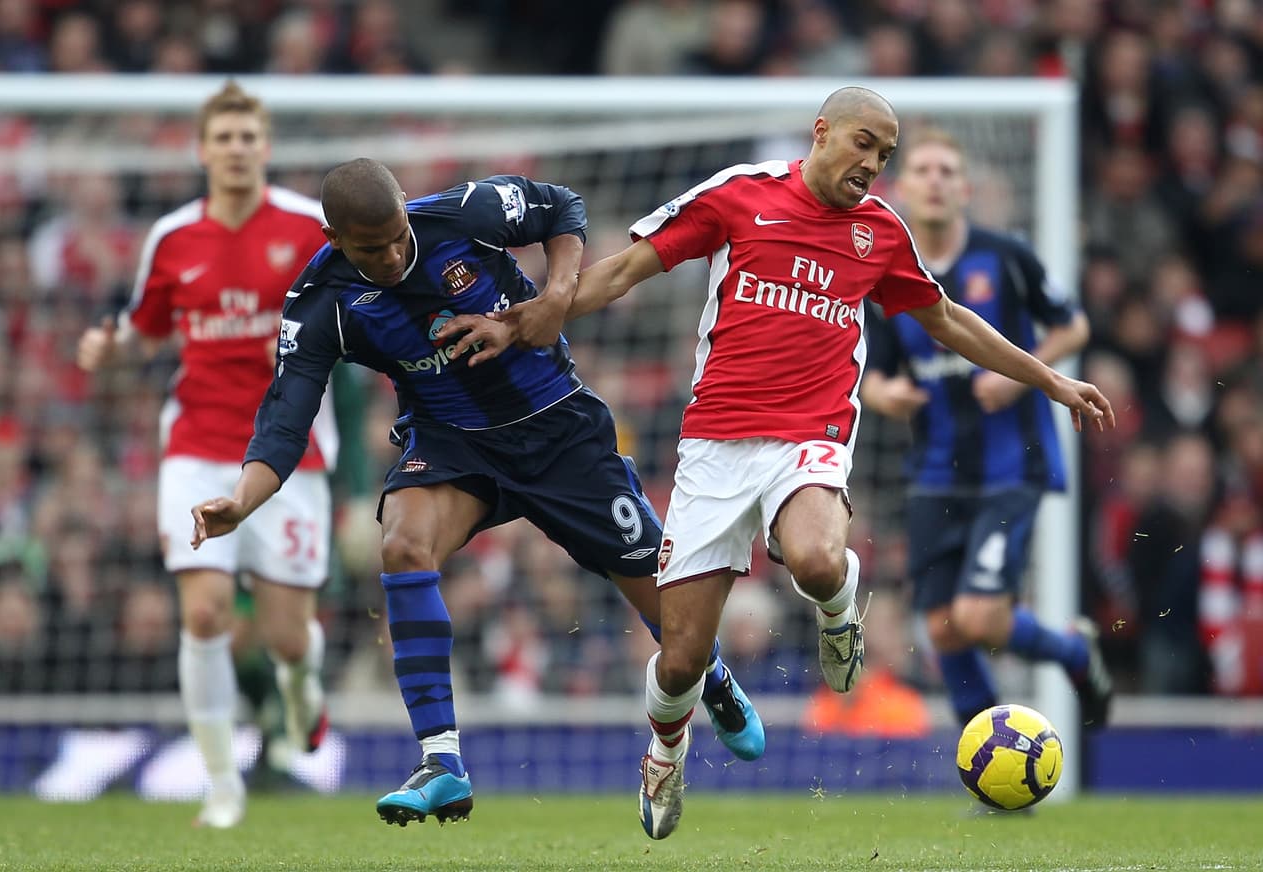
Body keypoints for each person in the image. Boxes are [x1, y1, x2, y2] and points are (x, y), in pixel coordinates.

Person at [474, 86, 1115, 840]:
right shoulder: (739, 195)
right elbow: (622, 273)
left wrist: (1049, 379)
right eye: (863, 143)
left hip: (811, 434)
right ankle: (665, 752)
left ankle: (838, 613)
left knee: (815, 558)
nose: (872, 164)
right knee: (681, 662)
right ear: (822, 132)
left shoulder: (881, 232)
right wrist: (525, 320)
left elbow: (946, 319)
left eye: (885, 154)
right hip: (715, 448)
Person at [189, 158, 766, 828]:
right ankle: (441, 761)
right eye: (372, 249)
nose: (393, 255)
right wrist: (242, 499)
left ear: (406, 210)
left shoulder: (462, 213)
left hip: (556, 429)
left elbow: (562, 207)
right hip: (452, 444)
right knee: (402, 545)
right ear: (335, 238)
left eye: (399, 236)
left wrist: (554, 297)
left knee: (674, 622)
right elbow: (286, 420)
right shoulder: (322, 302)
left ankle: (711, 676)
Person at [76, 81, 336, 829]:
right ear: (201, 151)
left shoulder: (308, 228)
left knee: (287, 637)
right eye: (223, 138)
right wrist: (112, 347)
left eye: (247, 137)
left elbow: (357, 311)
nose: (235, 149)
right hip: (196, 442)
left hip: (288, 450)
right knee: (204, 614)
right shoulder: (173, 238)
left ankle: (301, 688)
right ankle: (222, 787)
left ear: (265, 146)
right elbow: (146, 329)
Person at [859, 128, 1114, 732]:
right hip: (934, 469)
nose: (936, 181)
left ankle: (1074, 652)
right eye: (923, 170)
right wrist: (885, 395)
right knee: (943, 627)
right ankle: (987, 752)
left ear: (966, 189)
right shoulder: (885, 274)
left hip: (1010, 464)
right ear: (901, 188)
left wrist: (1022, 377)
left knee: (978, 618)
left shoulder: (1004, 257)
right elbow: (872, 374)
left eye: (948, 171)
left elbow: (1073, 326)